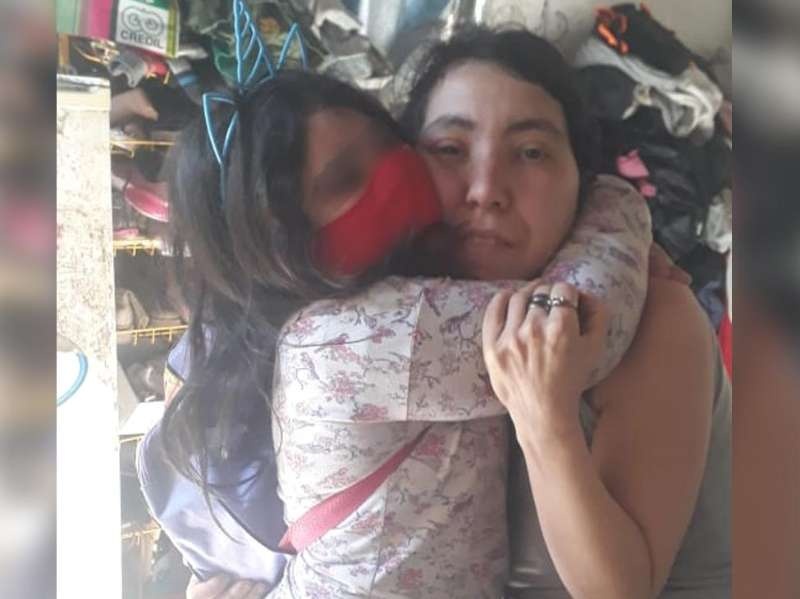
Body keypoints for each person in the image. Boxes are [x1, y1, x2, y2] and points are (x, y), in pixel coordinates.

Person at [140, 63, 651, 597]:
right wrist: (613, 205)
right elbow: (583, 327)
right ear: (282, 246)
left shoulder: (308, 328)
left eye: (387, 144)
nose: (393, 170)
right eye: (344, 179)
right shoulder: (360, 338)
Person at [399, 27, 731, 598]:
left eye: (531, 152)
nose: (486, 188)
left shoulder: (653, 319)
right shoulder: (393, 323)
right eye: (450, 149)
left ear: (582, 182)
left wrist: (544, 419)